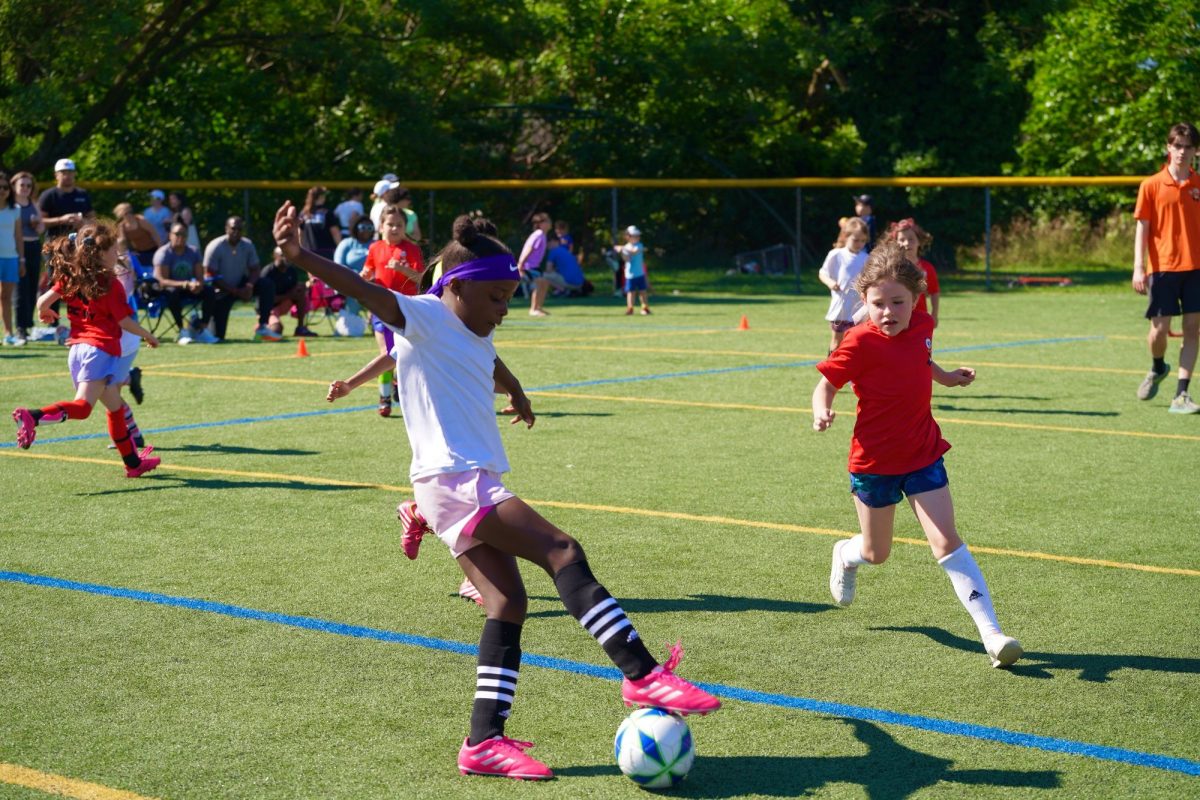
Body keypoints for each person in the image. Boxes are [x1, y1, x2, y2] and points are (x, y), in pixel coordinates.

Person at [273, 201, 721, 780]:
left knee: (507, 603)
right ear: (456, 288)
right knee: (562, 550)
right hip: (455, 481)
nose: (503, 311)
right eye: (495, 299)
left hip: (453, 484)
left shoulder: (468, 326)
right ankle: (641, 672)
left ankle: (483, 742)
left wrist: (517, 391)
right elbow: (363, 290)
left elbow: (488, 360)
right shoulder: (425, 316)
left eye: (509, 300)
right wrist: (298, 255)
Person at [812, 240, 1022, 669]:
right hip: (874, 463)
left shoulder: (923, 325)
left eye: (898, 302)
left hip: (923, 451)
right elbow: (827, 384)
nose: (888, 312)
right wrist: (822, 409)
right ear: (864, 301)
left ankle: (993, 635)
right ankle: (845, 554)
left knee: (946, 541)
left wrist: (948, 378)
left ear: (915, 300)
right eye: (878, 303)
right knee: (876, 553)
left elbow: (923, 362)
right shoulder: (857, 342)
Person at [11, 221, 161, 478]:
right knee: (82, 408)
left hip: (78, 350)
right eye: (114, 250)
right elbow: (125, 322)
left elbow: (42, 301)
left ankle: (133, 464)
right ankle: (33, 416)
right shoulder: (109, 283)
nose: (117, 254)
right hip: (99, 351)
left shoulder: (72, 276)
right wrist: (149, 335)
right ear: (101, 253)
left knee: (114, 408)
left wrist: (43, 312)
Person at [1132, 121, 1200, 414]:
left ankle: (1181, 394)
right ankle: (1158, 366)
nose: (1182, 152)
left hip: (1196, 268)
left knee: (1192, 329)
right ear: (1168, 148)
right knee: (1159, 331)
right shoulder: (1151, 185)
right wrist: (1138, 267)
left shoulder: (1198, 184)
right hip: (1161, 268)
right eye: (1177, 146)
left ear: (1196, 151)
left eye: (1188, 147)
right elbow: (1142, 229)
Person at [362, 205, 425, 416]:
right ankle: (384, 398)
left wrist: (401, 268)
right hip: (380, 307)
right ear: (381, 226)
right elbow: (369, 270)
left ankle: (400, 384)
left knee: (404, 355)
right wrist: (365, 275)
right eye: (390, 224)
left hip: (406, 309)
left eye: (399, 225)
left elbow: (419, 278)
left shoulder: (411, 249)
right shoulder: (375, 248)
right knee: (386, 354)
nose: (395, 228)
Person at [38, 158, 93, 344]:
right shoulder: (49, 195)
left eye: (70, 172)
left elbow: (92, 220)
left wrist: (81, 222)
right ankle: (53, 322)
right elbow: (40, 221)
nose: (67, 176)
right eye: (63, 172)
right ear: (56, 175)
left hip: (79, 246)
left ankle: (84, 319)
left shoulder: (83, 195)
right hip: (55, 246)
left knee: (83, 280)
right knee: (56, 282)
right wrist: (61, 219)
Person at [203, 216, 279, 342]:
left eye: (239, 229)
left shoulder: (247, 245)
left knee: (267, 284)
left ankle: (263, 326)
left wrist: (249, 286)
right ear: (226, 229)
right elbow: (211, 276)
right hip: (221, 291)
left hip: (240, 284)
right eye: (233, 229)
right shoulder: (215, 246)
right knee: (217, 336)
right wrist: (235, 291)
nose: (236, 232)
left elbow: (255, 269)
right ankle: (196, 324)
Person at [152, 222, 217, 344]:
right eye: (177, 234)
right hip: (169, 290)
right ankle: (182, 330)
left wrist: (199, 285)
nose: (180, 237)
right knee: (172, 292)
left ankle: (201, 329)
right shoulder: (163, 253)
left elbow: (200, 276)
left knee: (209, 291)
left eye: (183, 234)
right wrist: (185, 284)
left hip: (189, 289)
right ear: (170, 235)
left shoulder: (193, 251)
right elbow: (162, 281)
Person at [818, 217, 869, 352]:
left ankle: (852, 372)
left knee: (857, 344)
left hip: (859, 310)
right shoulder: (836, 255)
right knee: (837, 343)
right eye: (856, 240)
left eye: (863, 241)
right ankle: (830, 371)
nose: (859, 244)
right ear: (846, 237)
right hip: (840, 309)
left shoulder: (866, 258)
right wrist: (831, 283)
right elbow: (823, 273)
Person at [885, 219, 940, 326]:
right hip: (896, 317)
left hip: (920, 319)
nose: (906, 243)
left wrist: (934, 314)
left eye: (911, 239)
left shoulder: (927, 268)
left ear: (919, 241)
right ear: (895, 242)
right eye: (902, 239)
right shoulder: (891, 267)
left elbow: (934, 292)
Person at [12, 172, 45, 342]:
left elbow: (41, 229)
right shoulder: (10, 205)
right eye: (22, 185)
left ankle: (28, 324)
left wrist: (36, 224)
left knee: (33, 288)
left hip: (33, 246)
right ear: (14, 186)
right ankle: (20, 328)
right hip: (18, 249)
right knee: (21, 290)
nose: (25, 188)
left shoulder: (33, 203)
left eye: (28, 185)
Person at [262, 246, 319, 337]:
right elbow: (265, 300)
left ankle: (300, 328)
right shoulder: (268, 272)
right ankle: (261, 325)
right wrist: (289, 295)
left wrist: (305, 286)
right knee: (276, 331)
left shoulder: (291, 271)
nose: (286, 258)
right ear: (275, 256)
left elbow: (295, 291)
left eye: (287, 255)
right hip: (268, 308)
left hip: (283, 303)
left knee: (300, 291)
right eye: (282, 255)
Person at [0, 172, 23, 345]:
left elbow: (18, 236)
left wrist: (21, 260)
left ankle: (9, 334)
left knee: (6, 297)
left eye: (5, 187)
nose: (2, 190)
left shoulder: (15, 210)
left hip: (11, 258)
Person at [518, 212, 553, 317]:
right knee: (539, 283)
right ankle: (533, 309)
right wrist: (521, 264)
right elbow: (529, 249)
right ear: (541, 224)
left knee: (545, 283)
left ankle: (538, 308)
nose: (550, 223)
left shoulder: (542, 235)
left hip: (534, 266)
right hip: (528, 266)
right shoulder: (539, 234)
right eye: (547, 221)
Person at [299, 186, 342, 260]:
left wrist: (301, 251)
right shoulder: (327, 213)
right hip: (326, 252)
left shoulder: (303, 214)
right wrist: (341, 248)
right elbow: (335, 233)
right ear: (321, 196)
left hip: (309, 252)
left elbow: (300, 234)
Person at [621, 225, 651, 315]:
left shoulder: (639, 245)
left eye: (638, 235)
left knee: (643, 291)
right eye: (634, 235)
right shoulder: (626, 247)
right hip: (630, 274)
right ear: (628, 237)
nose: (637, 237)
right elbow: (626, 259)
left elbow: (635, 251)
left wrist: (623, 249)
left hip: (640, 273)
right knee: (631, 293)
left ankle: (645, 308)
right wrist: (624, 252)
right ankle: (630, 308)